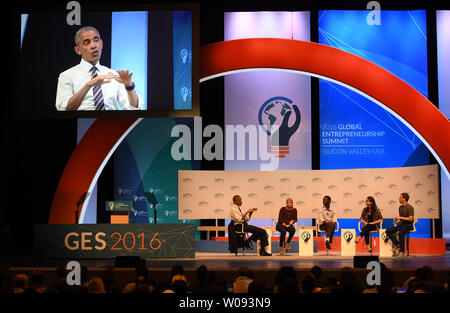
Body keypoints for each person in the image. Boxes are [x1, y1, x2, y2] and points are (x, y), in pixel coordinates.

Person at [56, 26, 144, 111]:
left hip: (112, 122)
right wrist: (88, 85)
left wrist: (129, 86)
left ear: (101, 44)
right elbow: (65, 109)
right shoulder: (67, 76)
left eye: (96, 40)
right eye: (87, 42)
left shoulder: (114, 75)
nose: (93, 45)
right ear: (78, 50)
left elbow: (134, 108)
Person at [384, 193, 414, 257]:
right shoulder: (400, 207)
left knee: (401, 232)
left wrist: (400, 218)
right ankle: (398, 244)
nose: (399, 199)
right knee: (388, 230)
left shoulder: (410, 207)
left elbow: (411, 219)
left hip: (409, 225)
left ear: (404, 199)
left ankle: (402, 252)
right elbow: (402, 217)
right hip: (402, 224)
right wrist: (399, 220)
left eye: (400, 198)